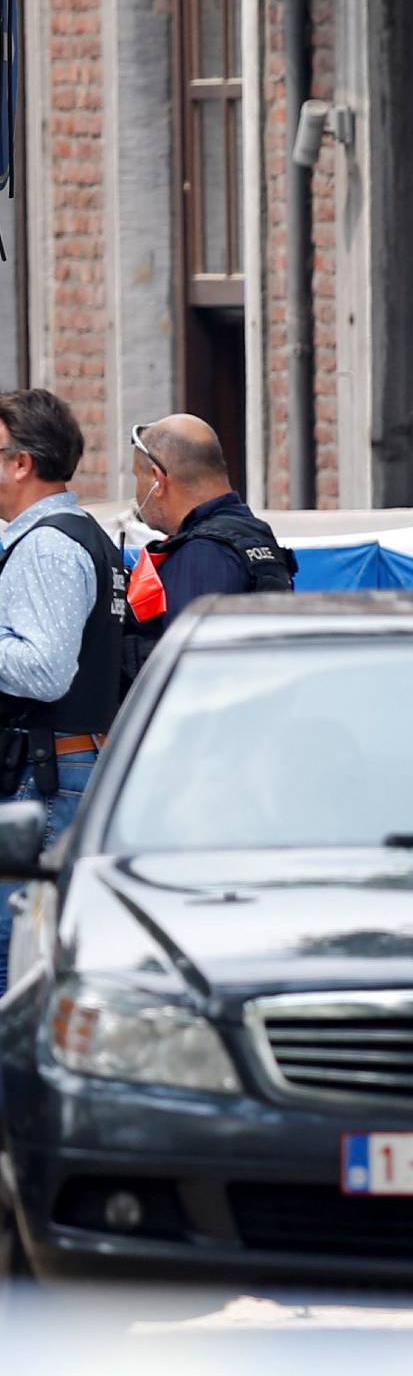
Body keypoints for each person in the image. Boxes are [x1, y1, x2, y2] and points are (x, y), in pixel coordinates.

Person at [0, 391, 128, 956]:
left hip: (45, 772)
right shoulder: (81, 535)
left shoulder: (46, 546)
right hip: (61, 764)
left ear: (21, 462)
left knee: (17, 951)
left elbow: (46, 670)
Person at [126, 417, 295, 656]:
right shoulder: (254, 534)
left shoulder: (202, 554)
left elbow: (192, 667)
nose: (136, 490)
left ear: (157, 479)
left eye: (137, 476)